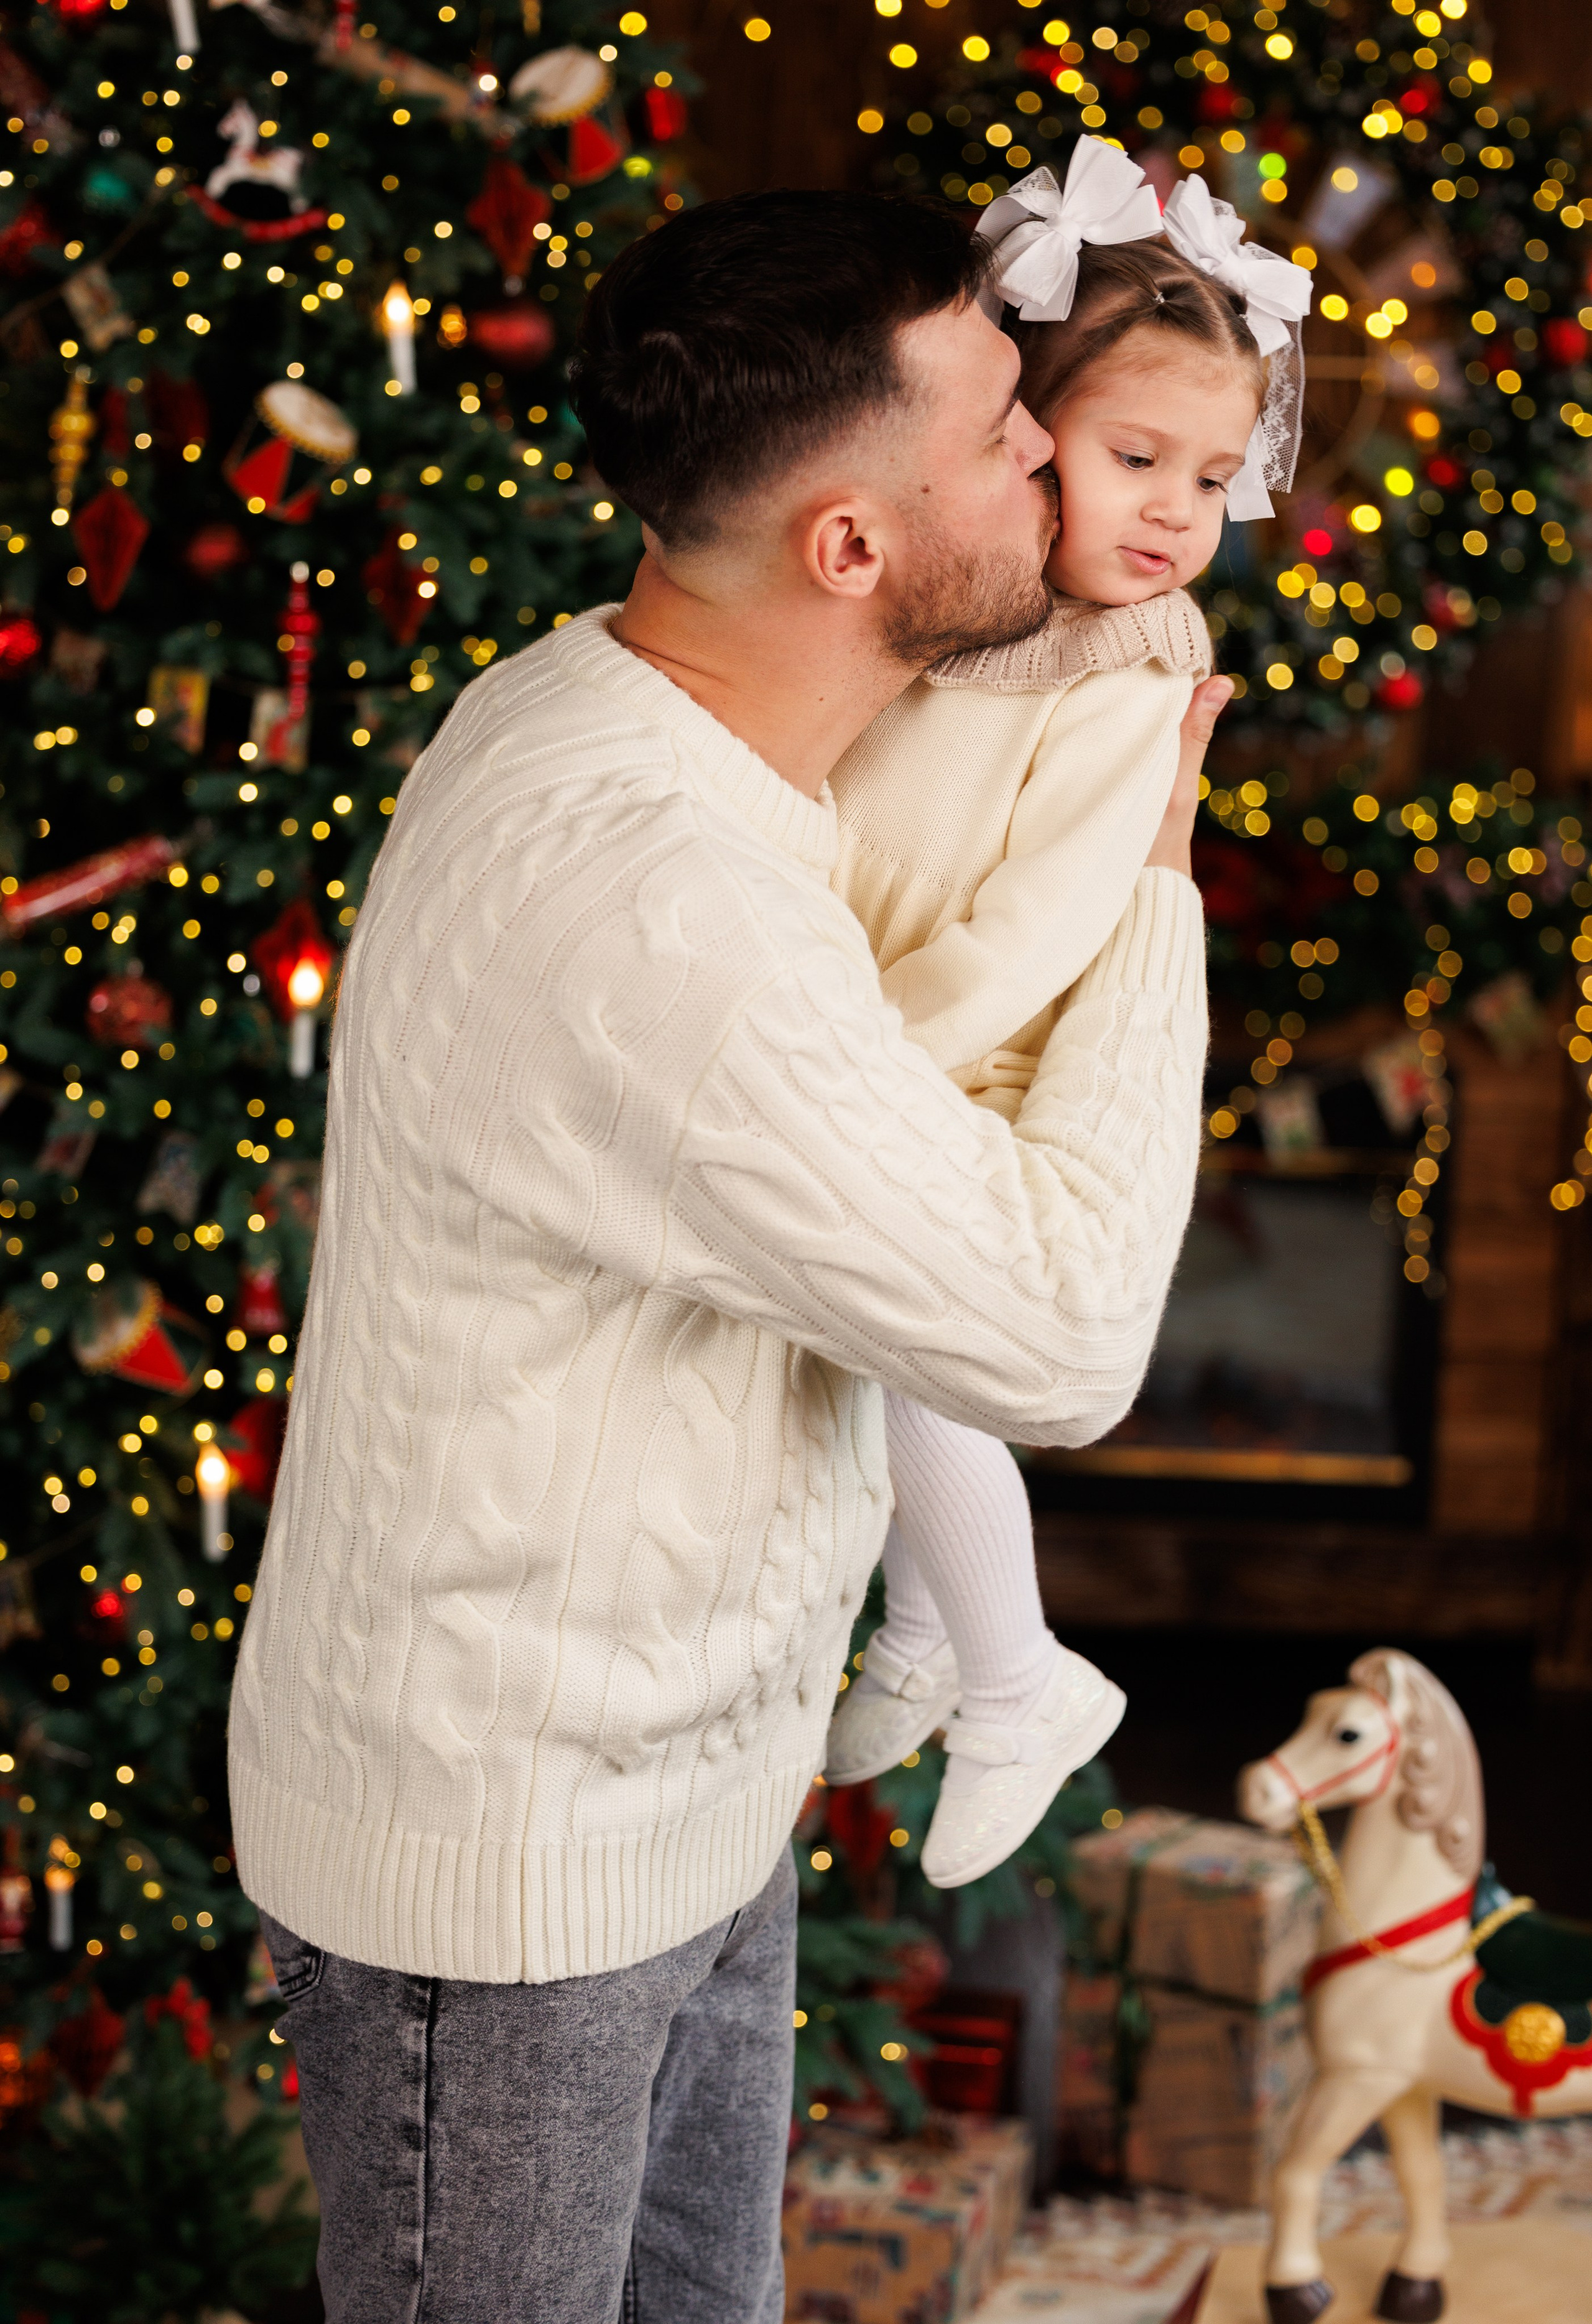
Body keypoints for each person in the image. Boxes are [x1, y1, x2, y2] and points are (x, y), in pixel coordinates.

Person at [228, 187, 1221, 2324]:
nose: (1061, 462)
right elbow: (1061, 1337)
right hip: (511, 1882)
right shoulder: (665, 903)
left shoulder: (635, 725)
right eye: (1007, 437)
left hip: (686, 1804)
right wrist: (1153, 878)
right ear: (850, 546)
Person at [823, 144, 1310, 1890]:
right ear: (1029, 433)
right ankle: (929, 1628)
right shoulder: (981, 602)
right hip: (878, 1009)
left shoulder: (1134, 661)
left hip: (971, 1051)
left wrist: (869, 1053)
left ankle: (1023, 1676)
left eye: (1211, 475)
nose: (1177, 510)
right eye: (1136, 458)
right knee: (865, 1358)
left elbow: (1039, 922)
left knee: (903, 1350)